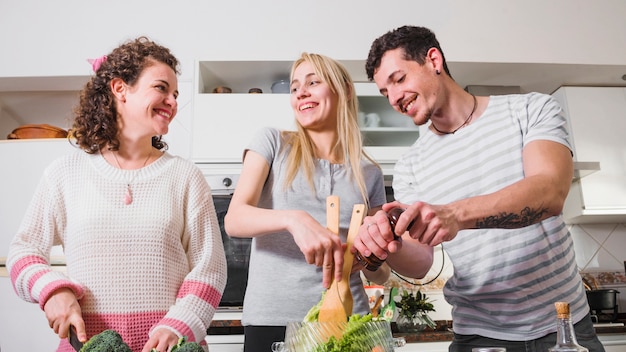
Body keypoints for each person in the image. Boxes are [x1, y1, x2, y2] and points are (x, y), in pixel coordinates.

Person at [352, 25, 605, 352]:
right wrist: (391, 241)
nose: (395, 98)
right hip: (478, 335)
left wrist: (455, 215)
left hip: (563, 325)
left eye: (399, 79)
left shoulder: (530, 110)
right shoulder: (411, 163)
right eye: (385, 92)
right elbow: (421, 263)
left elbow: (550, 192)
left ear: (433, 60)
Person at [6, 37, 227, 352]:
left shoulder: (185, 177)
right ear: (120, 88)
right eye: (161, 88)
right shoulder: (64, 174)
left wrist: (178, 325)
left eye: (176, 94)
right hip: (88, 345)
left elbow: (210, 268)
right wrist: (53, 291)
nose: (173, 101)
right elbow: (22, 253)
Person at [224, 52, 392, 352]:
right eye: (295, 87)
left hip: (350, 321)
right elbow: (235, 219)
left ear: (344, 89)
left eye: (313, 82)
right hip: (274, 319)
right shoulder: (273, 143)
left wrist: (373, 259)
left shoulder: (370, 173)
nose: (301, 92)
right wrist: (294, 219)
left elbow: (378, 272)